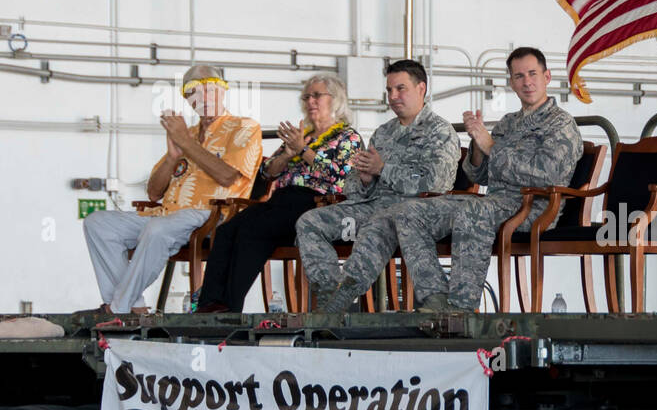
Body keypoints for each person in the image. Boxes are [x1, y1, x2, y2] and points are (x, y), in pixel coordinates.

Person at [390, 47, 583, 312]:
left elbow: (547, 174)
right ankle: (434, 298)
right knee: (408, 212)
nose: (527, 82)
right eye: (518, 76)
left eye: (532, 74)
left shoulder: (561, 124)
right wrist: (477, 143)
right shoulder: (508, 122)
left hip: (532, 206)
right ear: (512, 82)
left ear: (547, 77)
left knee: (472, 211)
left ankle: (461, 308)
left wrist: (492, 146)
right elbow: (479, 175)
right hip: (494, 202)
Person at [83, 64, 262, 314]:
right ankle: (134, 307)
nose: (204, 98)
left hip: (212, 215)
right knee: (98, 223)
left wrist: (186, 143)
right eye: (195, 93)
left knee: (158, 230)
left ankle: (119, 309)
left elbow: (228, 176)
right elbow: (154, 193)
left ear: (223, 92)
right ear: (188, 100)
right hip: (168, 213)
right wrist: (171, 157)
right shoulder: (185, 133)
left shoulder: (244, 127)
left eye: (211, 90)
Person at [295, 60, 460, 308]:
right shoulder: (383, 133)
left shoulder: (440, 131)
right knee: (310, 222)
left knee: (379, 224)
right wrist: (365, 179)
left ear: (421, 88)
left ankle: (341, 299)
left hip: (412, 215)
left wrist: (384, 169)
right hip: (371, 208)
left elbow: (437, 182)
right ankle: (331, 296)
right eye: (389, 90)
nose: (393, 96)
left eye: (400, 89)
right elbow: (352, 187)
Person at [194, 73, 361, 312]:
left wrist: (303, 150)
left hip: (317, 205)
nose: (310, 101)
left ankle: (230, 307)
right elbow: (267, 172)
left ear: (335, 99)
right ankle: (209, 304)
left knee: (253, 231)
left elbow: (337, 174)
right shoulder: (301, 136)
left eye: (316, 95)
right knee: (227, 230)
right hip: (281, 200)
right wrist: (288, 154)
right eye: (306, 97)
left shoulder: (348, 136)